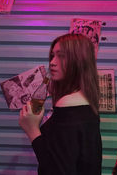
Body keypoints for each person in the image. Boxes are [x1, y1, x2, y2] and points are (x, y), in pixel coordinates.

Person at [19, 33, 102, 175]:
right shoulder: (87, 101)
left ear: (78, 60)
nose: (52, 62)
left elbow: (56, 170)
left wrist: (32, 130)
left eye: (61, 56)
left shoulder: (68, 104)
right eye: (52, 55)